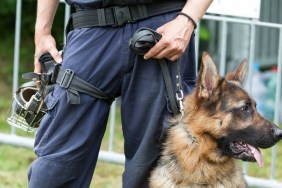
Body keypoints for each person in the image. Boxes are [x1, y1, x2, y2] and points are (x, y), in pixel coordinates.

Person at [28, 0, 213, 187]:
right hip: (90, 28)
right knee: (55, 167)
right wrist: (42, 32)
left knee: (154, 170)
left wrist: (188, 19)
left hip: (161, 32)